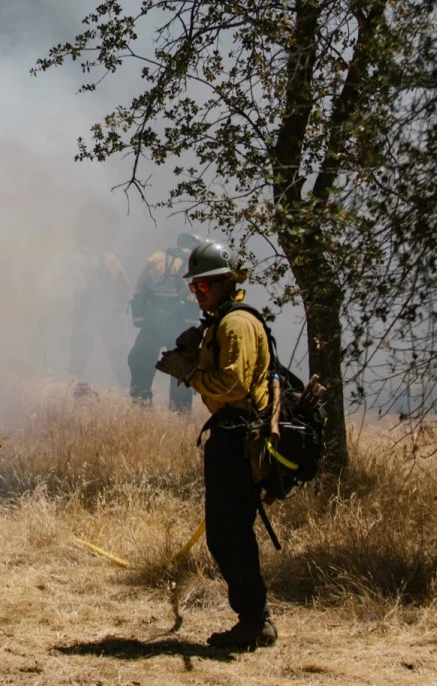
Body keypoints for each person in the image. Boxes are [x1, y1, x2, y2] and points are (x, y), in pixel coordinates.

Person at [154, 239, 277, 650]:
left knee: (229, 535)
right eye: (194, 288)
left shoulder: (235, 324)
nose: (198, 293)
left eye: (205, 286)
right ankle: (255, 618)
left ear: (227, 282)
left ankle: (253, 620)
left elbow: (233, 384)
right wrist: (195, 351)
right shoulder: (220, 322)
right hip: (231, 434)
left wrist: (188, 372)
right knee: (229, 532)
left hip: (239, 437)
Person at [129, 233, 203, 412]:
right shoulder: (196, 264)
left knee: (141, 358)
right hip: (182, 322)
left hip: (153, 319)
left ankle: (141, 401)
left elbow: (139, 288)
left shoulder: (157, 257)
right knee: (183, 364)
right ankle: (180, 410)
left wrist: (142, 318)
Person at [67, 229, 132, 395]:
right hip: (107, 314)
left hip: (86, 313)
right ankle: (129, 390)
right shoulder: (108, 258)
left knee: (79, 353)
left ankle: (75, 388)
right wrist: (119, 306)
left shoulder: (75, 260)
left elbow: (72, 289)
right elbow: (125, 284)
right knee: (116, 353)